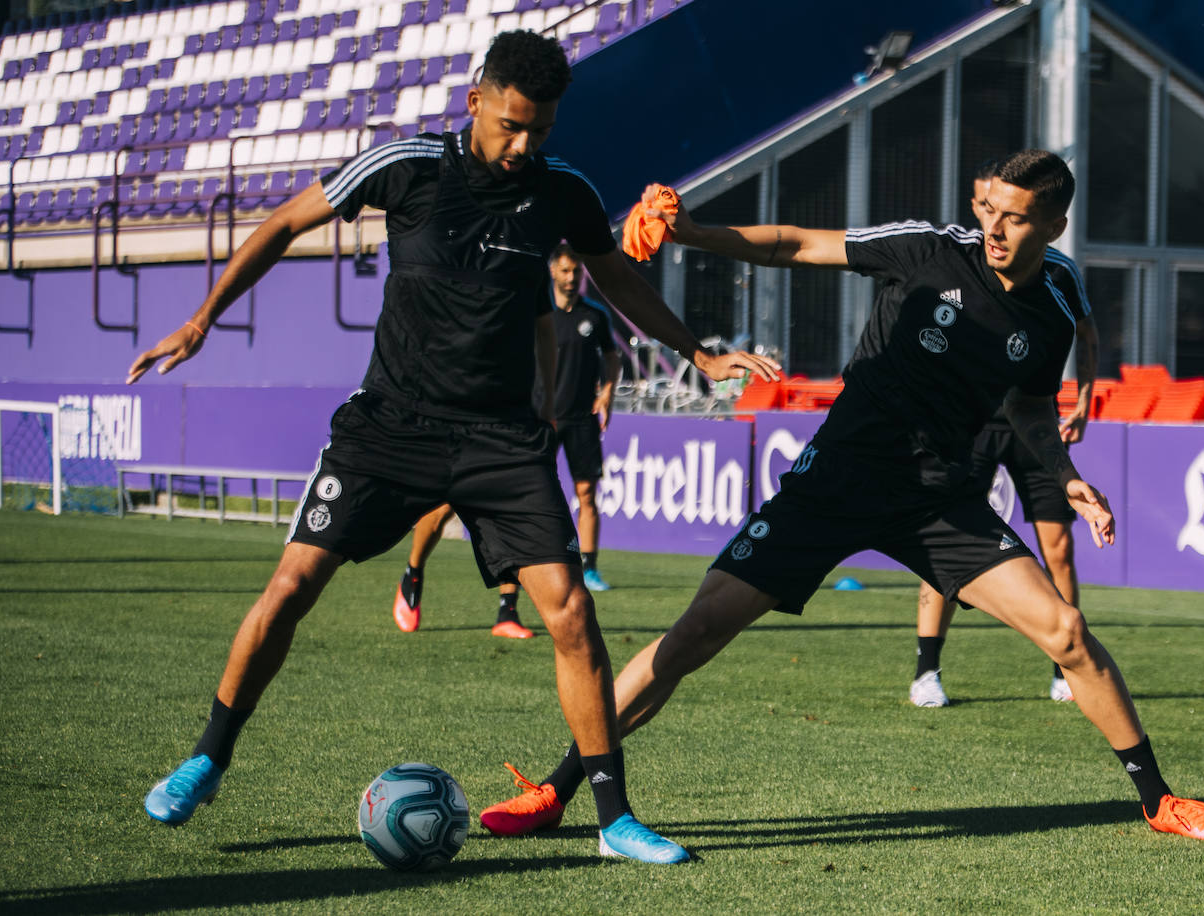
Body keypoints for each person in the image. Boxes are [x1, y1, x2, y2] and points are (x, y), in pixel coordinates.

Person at [126, 30, 779, 865]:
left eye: (540, 130)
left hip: (502, 440)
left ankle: (614, 820)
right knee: (290, 585)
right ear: (476, 101)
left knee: (572, 613)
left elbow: (615, 276)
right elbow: (287, 222)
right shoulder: (406, 165)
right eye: (512, 125)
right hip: (388, 425)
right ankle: (208, 759)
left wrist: (696, 354)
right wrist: (201, 318)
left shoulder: (563, 191)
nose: (524, 146)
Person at [479, 149, 1204, 844]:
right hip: (839, 480)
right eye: (990, 210)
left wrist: (1065, 472)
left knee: (1067, 630)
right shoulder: (930, 249)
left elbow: (1033, 403)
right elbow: (796, 243)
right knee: (692, 637)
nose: (995, 228)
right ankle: (558, 789)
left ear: (1055, 225)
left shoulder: (1057, 298)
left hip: (941, 499)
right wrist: (695, 233)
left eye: (1016, 217)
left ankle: (1159, 802)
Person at [910, 161, 1100, 708]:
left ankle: (1065, 666)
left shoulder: (1060, 273)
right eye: (982, 205)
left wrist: (1084, 399)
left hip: (1033, 421)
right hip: (968, 426)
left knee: (1059, 547)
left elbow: (1086, 334)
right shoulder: (959, 265)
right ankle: (927, 669)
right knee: (942, 544)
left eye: (1002, 210)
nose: (987, 217)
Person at [392, 243, 624, 636]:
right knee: (449, 502)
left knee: (549, 501)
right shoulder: (507, 303)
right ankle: (413, 572)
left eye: (576, 271)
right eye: (565, 270)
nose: (572, 277)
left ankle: (511, 610)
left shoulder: (581, 315)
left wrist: (603, 393)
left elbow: (607, 356)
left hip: (554, 419)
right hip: (498, 416)